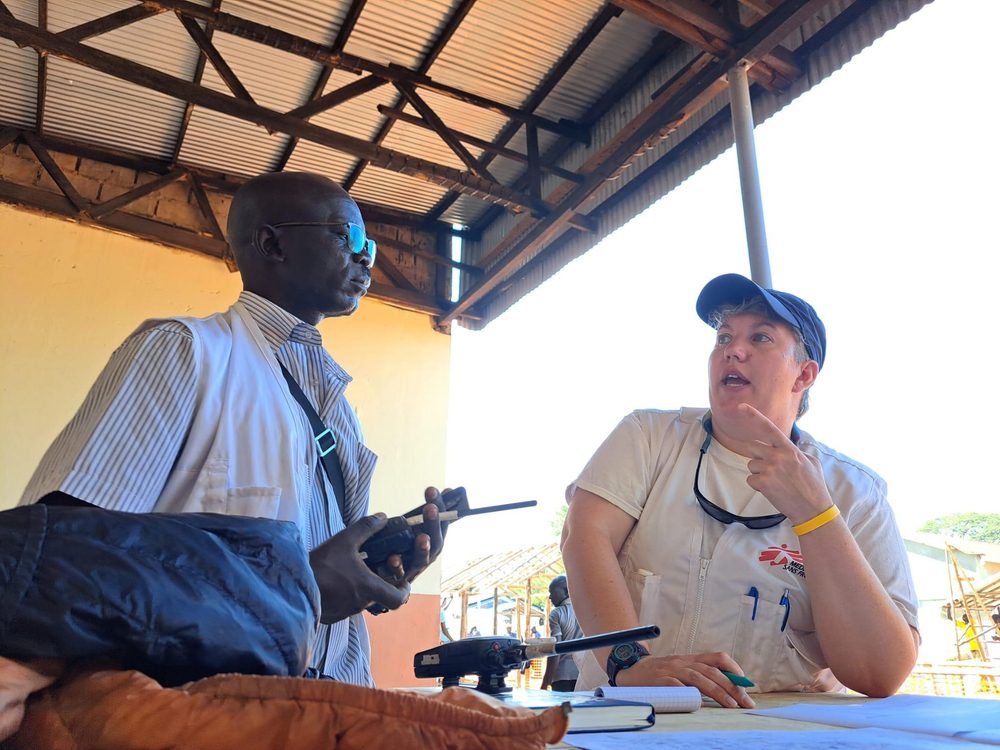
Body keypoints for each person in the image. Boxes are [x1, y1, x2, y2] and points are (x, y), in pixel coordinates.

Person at [17, 172, 446, 687]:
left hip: (337, 707)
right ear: (271, 243)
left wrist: (370, 576)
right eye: (348, 236)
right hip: (212, 716)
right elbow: (62, 560)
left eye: (368, 245)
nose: (366, 257)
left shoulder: (337, 409)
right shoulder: (186, 353)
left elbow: (327, 582)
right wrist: (298, 591)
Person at [561, 273, 919, 708]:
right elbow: (584, 536)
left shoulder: (857, 492)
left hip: (780, 732)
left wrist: (817, 515)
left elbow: (881, 673)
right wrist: (628, 660)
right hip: (631, 720)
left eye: (761, 337)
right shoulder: (648, 437)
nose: (732, 349)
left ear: (804, 375)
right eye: (723, 337)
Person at [540, 575, 584, 692]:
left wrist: (545, 682)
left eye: (553, 592)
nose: (550, 597)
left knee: (563, 710)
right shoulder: (586, 611)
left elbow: (556, 649)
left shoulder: (557, 613)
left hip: (562, 676)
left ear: (567, 590)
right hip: (583, 675)